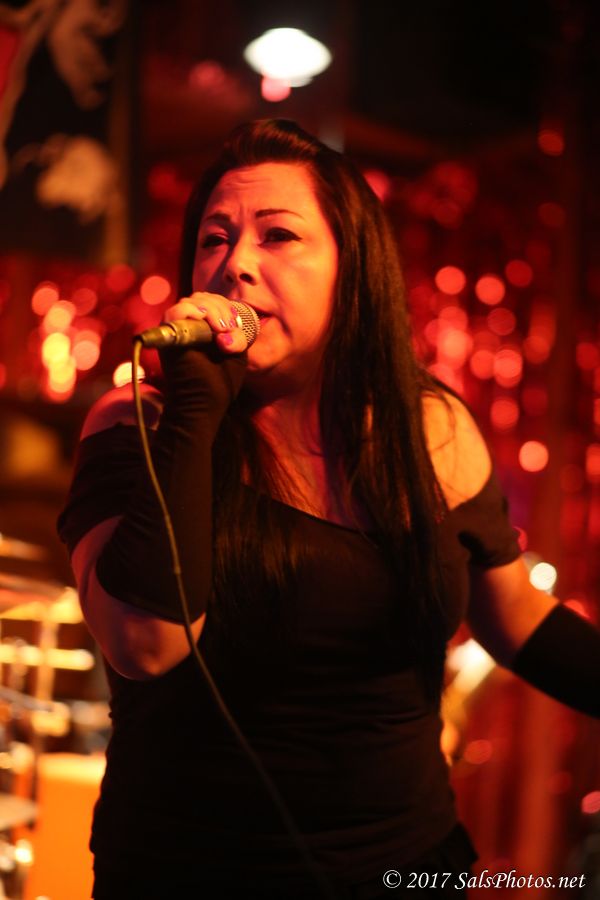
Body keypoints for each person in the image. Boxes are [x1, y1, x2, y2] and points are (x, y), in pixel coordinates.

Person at [58, 119, 600, 899]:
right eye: (214, 239)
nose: (236, 264)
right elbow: (146, 643)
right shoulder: (138, 422)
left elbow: (516, 618)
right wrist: (195, 414)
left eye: (278, 235)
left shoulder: (430, 428)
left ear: (354, 269)